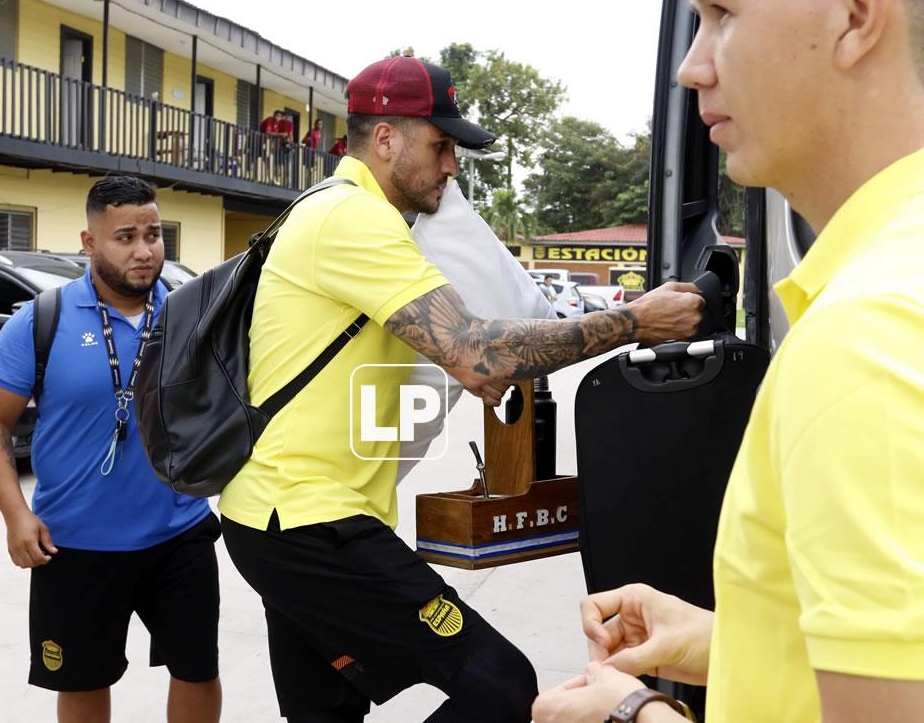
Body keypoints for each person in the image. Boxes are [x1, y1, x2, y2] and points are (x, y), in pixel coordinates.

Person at [218, 56, 704, 723]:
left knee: (326, 713)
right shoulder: (351, 218)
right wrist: (634, 321)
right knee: (501, 682)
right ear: (385, 138)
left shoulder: (339, 213)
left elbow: (434, 354)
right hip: (310, 522)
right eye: (440, 145)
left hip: (276, 517)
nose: (451, 165)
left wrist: (471, 368)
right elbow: (476, 352)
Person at [532, 0, 924, 721]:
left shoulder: (865, 339)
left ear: (855, 13)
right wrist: (732, 639)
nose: (690, 64)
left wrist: (631, 715)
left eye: (721, 12)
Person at [0, 176, 223, 723]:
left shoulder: (190, 316)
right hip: (75, 543)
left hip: (179, 534)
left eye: (154, 235)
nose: (143, 250)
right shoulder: (41, 321)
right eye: (125, 237)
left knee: (197, 669)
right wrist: (16, 516)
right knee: (83, 680)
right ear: (89, 243)